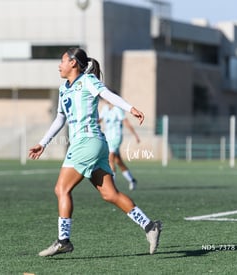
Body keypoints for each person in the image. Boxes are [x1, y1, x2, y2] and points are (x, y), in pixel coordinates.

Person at [28, 48, 162, 257]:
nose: (59, 65)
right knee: (110, 194)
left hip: (86, 143)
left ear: (73, 63)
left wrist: (130, 108)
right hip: (96, 144)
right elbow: (60, 119)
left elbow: (108, 95)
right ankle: (149, 226)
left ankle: (63, 241)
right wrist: (43, 143)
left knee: (61, 189)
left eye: (62, 61)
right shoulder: (64, 89)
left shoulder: (87, 81)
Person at [99, 98, 140, 191]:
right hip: (108, 138)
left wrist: (135, 135)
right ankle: (132, 180)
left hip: (116, 137)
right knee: (118, 161)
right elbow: (99, 120)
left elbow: (126, 122)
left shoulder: (118, 109)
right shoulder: (105, 108)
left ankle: (112, 185)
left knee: (110, 159)